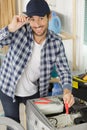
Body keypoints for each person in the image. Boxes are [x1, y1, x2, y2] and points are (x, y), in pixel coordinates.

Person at [0, 0, 74, 128]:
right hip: (8, 88)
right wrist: (10, 28)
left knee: (35, 125)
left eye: (41, 18)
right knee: (13, 126)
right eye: (32, 19)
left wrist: (67, 91)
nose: (37, 24)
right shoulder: (19, 30)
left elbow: (64, 71)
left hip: (35, 92)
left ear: (49, 17)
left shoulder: (56, 42)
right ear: (28, 19)